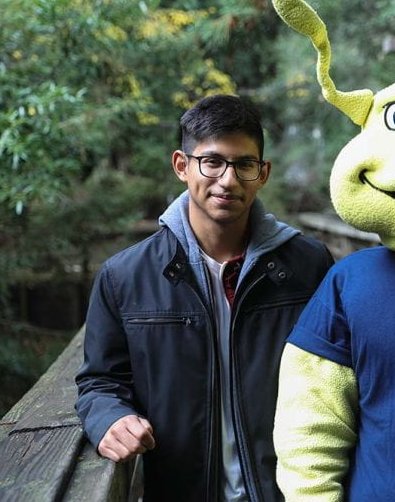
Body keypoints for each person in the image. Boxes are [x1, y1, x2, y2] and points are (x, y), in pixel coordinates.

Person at [75, 95, 333, 502]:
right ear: (183, 166)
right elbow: (100, 380)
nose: (227, 180)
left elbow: (339, 372)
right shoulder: (124, 276)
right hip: (180, 488)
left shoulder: (308, 265)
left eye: (244, 164)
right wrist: (111, 418)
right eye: (212, 162)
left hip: (287, 489)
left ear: (262, 173)